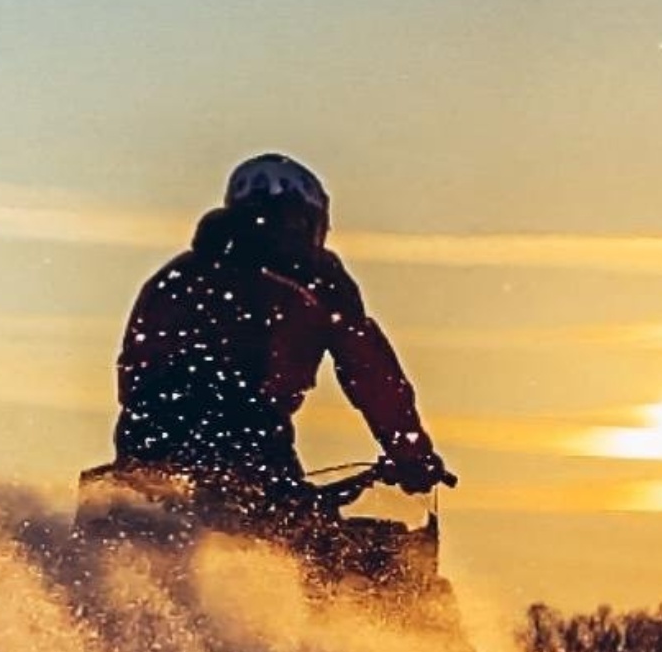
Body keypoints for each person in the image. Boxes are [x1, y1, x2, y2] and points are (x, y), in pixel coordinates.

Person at [113, 153, 449, 498]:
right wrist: (411, 453)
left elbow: (135, 366)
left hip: (150, 426)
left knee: (133, 515)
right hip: (249, 430)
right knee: (293, 532)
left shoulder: (176, 276)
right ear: (310, 220)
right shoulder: (319, 280)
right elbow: (369, 370)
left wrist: (152, 421)